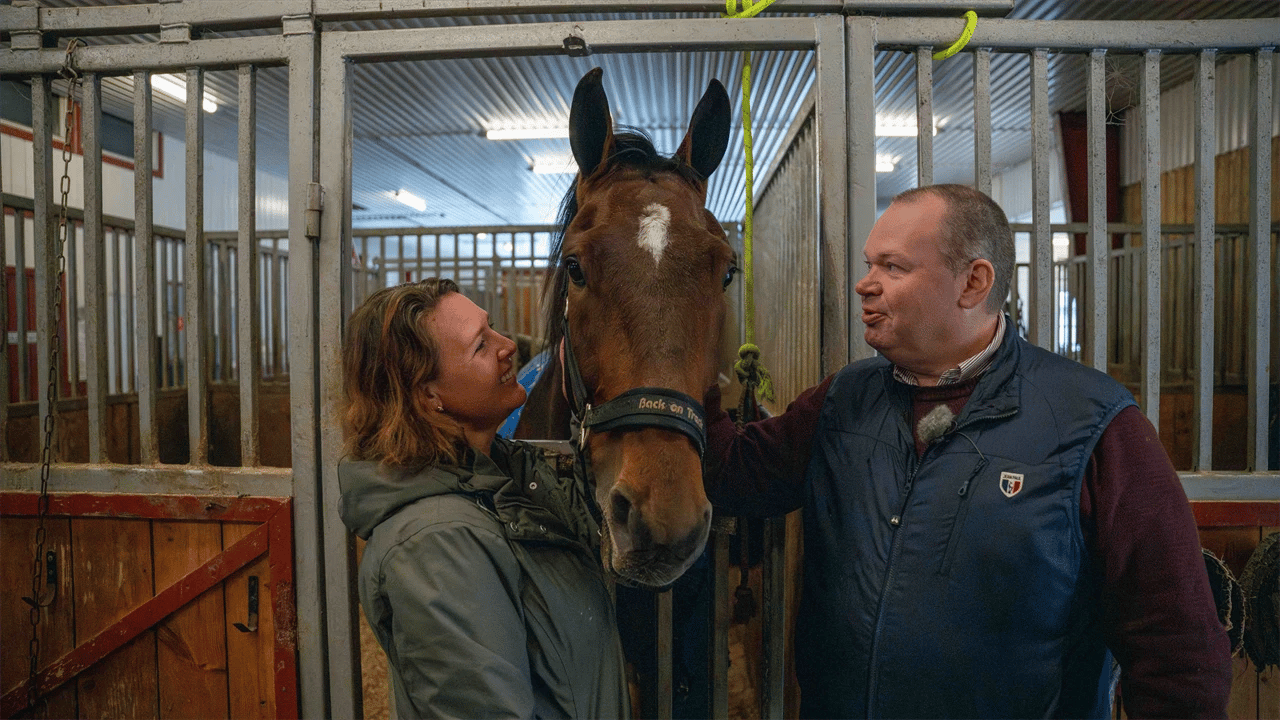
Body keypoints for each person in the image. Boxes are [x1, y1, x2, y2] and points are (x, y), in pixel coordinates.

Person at [703, 184, 1232, 719]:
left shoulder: (1093, 424)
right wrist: (686, 349)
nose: (865, 284)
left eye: (893, 267)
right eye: (869, 264)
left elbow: (1177, 650)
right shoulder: (842, 400)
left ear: (973, 282)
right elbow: (732, 475)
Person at [338, 278, 630, 719]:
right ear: (429, 395)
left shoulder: (503, 479)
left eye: (492, 328)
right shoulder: (435, 546)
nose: (508, 345)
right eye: (480, 345)